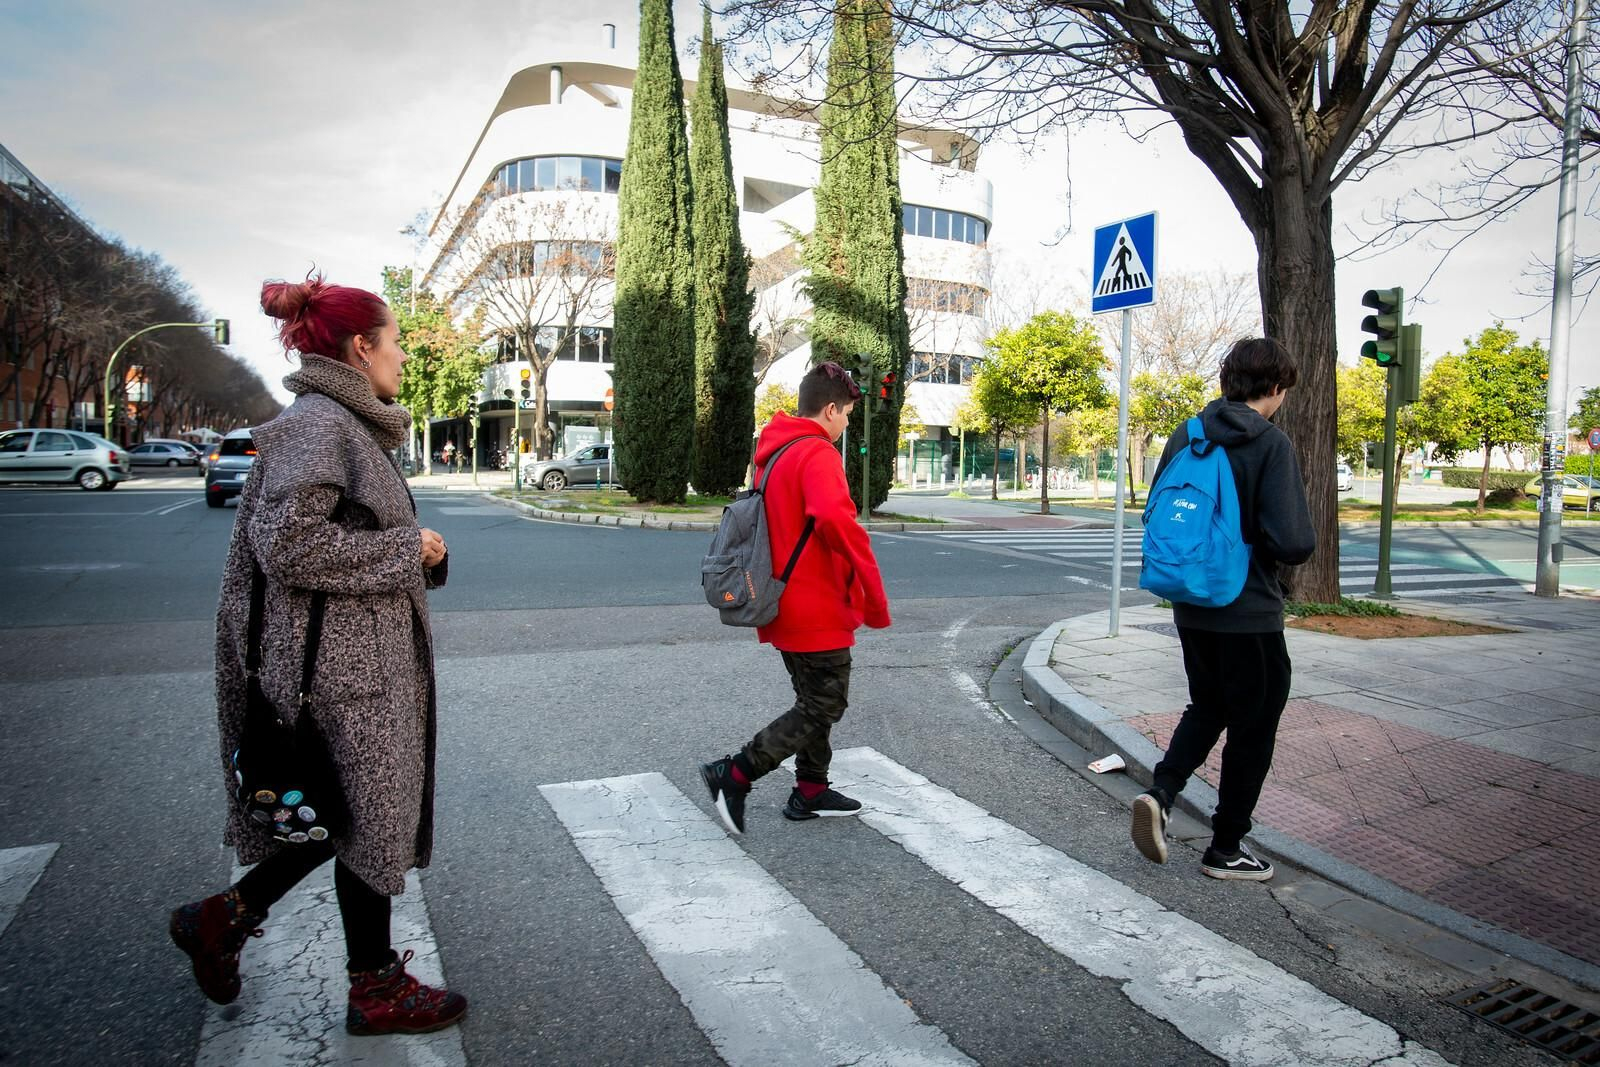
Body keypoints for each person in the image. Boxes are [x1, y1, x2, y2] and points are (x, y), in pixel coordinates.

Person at [169, 274, 467, 1035]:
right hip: (341, 675)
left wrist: (418, 557)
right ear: (359, 346)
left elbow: (339, 538)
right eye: (394, 339)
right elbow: (289, 544)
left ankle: (227, 918)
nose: (402, 354)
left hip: (351, 662)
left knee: (350, 820)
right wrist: (407, 548)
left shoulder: (343, 422)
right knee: (365, 824)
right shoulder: (319, 424)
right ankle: (370, 987)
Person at [1130, 337, 1316, 881]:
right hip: (1248, 606)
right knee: (1254, 725)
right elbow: (1294, 542)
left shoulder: (1186, 435)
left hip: (1191, 600)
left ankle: (1161, 794)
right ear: (1276, 387)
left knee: (1207, 705)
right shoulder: (1269, 443)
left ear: (1227, 380)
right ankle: (1226, 847)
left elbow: (1157, 509)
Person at [700, 361, 892, 834]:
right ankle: (737, 773)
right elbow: (834, 520)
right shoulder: (817, 453)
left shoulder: (775, 453)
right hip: (816, 604)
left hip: (781, 600)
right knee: (825, 705)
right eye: (846, 413)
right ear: (830, 409)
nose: (846, 422)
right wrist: (873, 592)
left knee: (811, 700)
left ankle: (810, 790)